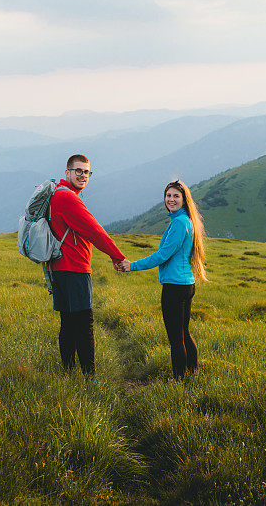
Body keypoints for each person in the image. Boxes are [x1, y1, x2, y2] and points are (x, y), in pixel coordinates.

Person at [116, 180, 207, 379]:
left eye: (176, 196)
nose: (171, 199)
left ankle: (179, 381)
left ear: (184, 200)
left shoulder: (180, 223)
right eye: (168, 196)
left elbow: (162, 255)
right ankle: (192, 374)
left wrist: (132, 265)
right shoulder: (184, 220)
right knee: (183, 332)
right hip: (185, 284)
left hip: (175, 287)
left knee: (176, 338)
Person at [48, 154, 128, 375]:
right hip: (74, 269)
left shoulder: (57, 193)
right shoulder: (69, 199)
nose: (83, 175)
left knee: (68, 323)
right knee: (84, 325)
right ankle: (89, 377)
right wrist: (117, 256)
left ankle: (68, 372)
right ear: (67, 173)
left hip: (58, 268)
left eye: (86, 172)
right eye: (78, 171)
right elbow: (95, 231)